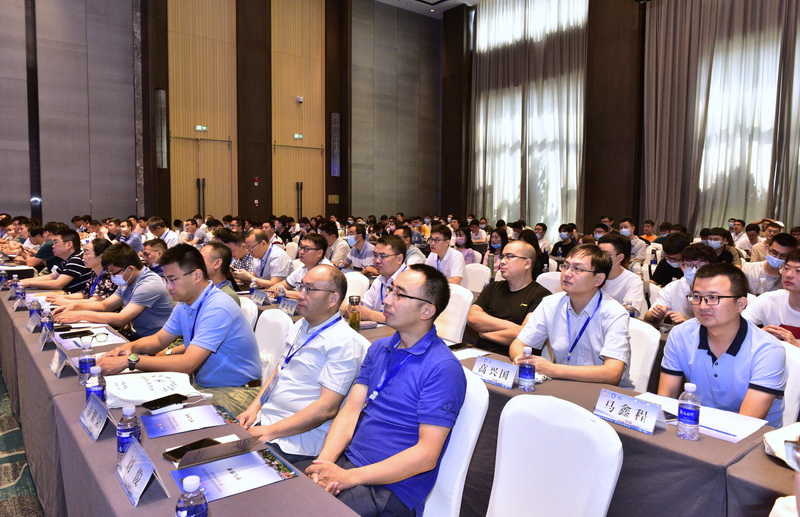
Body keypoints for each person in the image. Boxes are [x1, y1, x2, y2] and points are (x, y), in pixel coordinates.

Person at [305, 265, 466, 516]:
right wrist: (323, 464)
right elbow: (351, 410)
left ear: (427, 310)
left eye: (399, 294)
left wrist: (348, 477)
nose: (387, 300)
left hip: (391, 489)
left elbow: (426, 455)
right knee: (284, 494)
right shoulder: (379, 348)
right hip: (349, 464)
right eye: (391, 290)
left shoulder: (443, 369)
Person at [97, 244, 262, 415]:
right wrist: (128, 348)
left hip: (237, 391)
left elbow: (188, 363)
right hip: (204, 385)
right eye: (166, 280)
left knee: (166, 418)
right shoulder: (185, 303)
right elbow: (158, 340)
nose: (168, 287)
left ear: (197, 276)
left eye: (173, 279)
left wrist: (130, 361)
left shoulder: (218, 306)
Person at [238, 266, 369, 465]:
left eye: (310, 289)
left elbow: (326, 409)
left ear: (333, 299)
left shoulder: (345, 343)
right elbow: (280, 370)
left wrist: (270, 431)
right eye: (301, 287)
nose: (300, 295)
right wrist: (253, 408)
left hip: (295, 441)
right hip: (267, 420)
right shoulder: (301, 325)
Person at [658, 263, 786, 428]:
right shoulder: (680, 335)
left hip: (753, 436)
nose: (702, 306)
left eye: (713, 298)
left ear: (740, 304)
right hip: (696, 427)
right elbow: (665, 399)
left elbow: (747, 424)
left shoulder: (767, 350)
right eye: (696, 297)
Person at [509, 244, 633, 387]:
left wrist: (551, 369)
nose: (567, 273)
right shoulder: (550, 304)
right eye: (565, 266)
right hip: (563, 385)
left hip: (604, 392)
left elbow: (612, 374)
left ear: (598, 279)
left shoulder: (615, 313)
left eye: (578, 269)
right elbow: (518, 344)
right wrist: (523, 360)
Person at [53, 242, 174, 338]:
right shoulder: (127, 279)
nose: (111, 276)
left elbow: (121, 319)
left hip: (155, 339)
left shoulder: (149, 285)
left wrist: (80, 315)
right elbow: (105, 305)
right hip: (137, 334)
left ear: (130, 269)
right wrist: (74, 306)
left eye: (113, 272)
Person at [468, 240, 551, 353]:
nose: (502, 261)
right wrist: (515, 327)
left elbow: (526, 337)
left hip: (514, 358)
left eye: (509, 256)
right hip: (481, 354)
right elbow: (472, 318)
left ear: (527, 263)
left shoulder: (542, 296)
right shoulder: (493, 287)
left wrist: (485, 334)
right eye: (502, 257)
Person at [644, 243, 715, 325]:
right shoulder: (673, 287)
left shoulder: (720, 290)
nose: (694, 270)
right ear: (682, 266)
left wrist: (687, 324)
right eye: (689, 265)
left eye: (701, 266)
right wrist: (656, 314)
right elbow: (647, 316)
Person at [743, 248, 800, 347]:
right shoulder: (768, 300)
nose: (788, 275)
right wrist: (757, 335)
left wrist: (797, 344)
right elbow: (735, 330)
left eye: (798, 271)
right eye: (786, 268)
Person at [346, 235, 407, 324]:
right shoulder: (380, 279)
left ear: (399, 259)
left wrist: (370, 315)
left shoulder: (411, 280)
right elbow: (365, 304)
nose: (377, 261)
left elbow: (404, 319)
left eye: (383, 256)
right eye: (375, 255)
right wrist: (354, 307)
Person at [46, 238, 116, 306]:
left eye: (87, 253)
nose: (83, 257)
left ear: (101, 257)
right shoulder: (95, 273)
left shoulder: (109, 276)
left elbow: (94, 301)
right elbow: (84, 294)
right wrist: (61, 297)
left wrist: (65, 301)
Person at [20, 229, 91, 293]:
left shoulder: (77, 260)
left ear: (68, 244)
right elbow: (51, 276)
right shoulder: (69, 259)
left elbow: (58, 284)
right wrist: (23, 281)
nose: (53, 246)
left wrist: (29, 283)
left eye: (56, 242)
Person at [269, 233, 333, 299]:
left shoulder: (327, 271)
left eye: (306, 249)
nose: (301, 252)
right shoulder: (303, 267)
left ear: (319, 253)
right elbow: (283, 284)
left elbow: (314, 296)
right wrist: (275, 288)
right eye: (301, 247)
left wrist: (286, 293)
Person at [597, 233, 646, 317]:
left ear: (620, 257)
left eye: (605, 254)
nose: (599, 258)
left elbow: (629, 311)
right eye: (598, 253)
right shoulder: (590, 275)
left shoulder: (632, 280)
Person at [200, 241, 241, 306]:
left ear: (217, 263)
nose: (196, 263)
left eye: (201, 259)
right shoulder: (202, 291)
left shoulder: (228, 296)